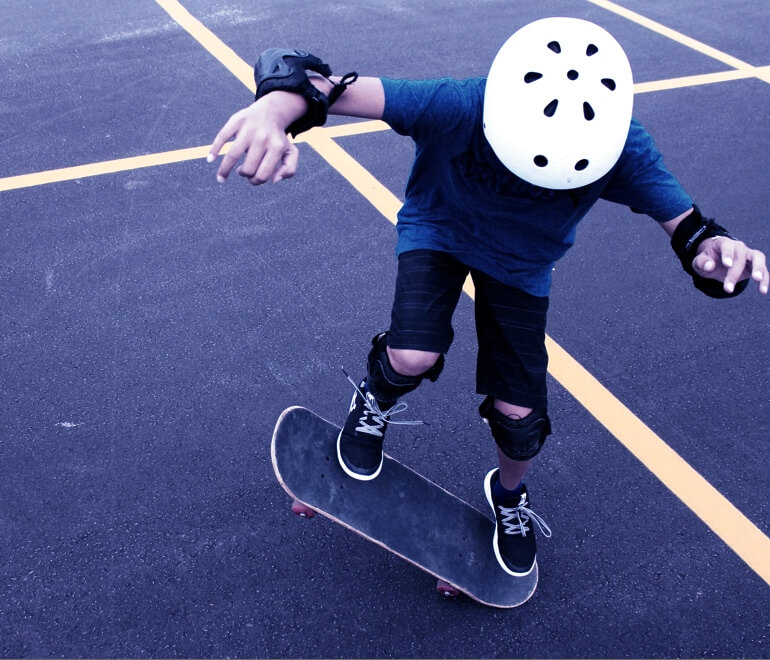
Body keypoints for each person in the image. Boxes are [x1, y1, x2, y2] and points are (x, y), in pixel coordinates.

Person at [207, 17, 769, 578]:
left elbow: (690, 228)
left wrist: (714, 254)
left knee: (520, 419)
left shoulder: (622, 145)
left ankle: (508, 498)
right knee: (413, 355)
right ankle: (375, 400)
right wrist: (271, 112)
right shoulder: (459, 104)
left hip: (522, 265)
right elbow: (311, 80)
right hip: (440, 230)